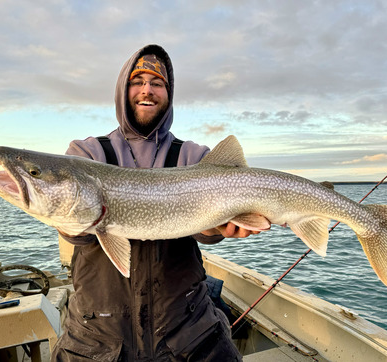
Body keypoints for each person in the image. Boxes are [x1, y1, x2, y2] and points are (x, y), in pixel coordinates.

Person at [51, 44, 260, 361]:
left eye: (157, 83)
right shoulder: (87, 154)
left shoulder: (193, 157)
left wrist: (220, 228)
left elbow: (208, 231)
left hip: (189, 334)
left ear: (168, 93)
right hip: (97, 340)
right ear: (123, 89)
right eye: (137, 81)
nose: (147, 90)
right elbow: (74, 232)